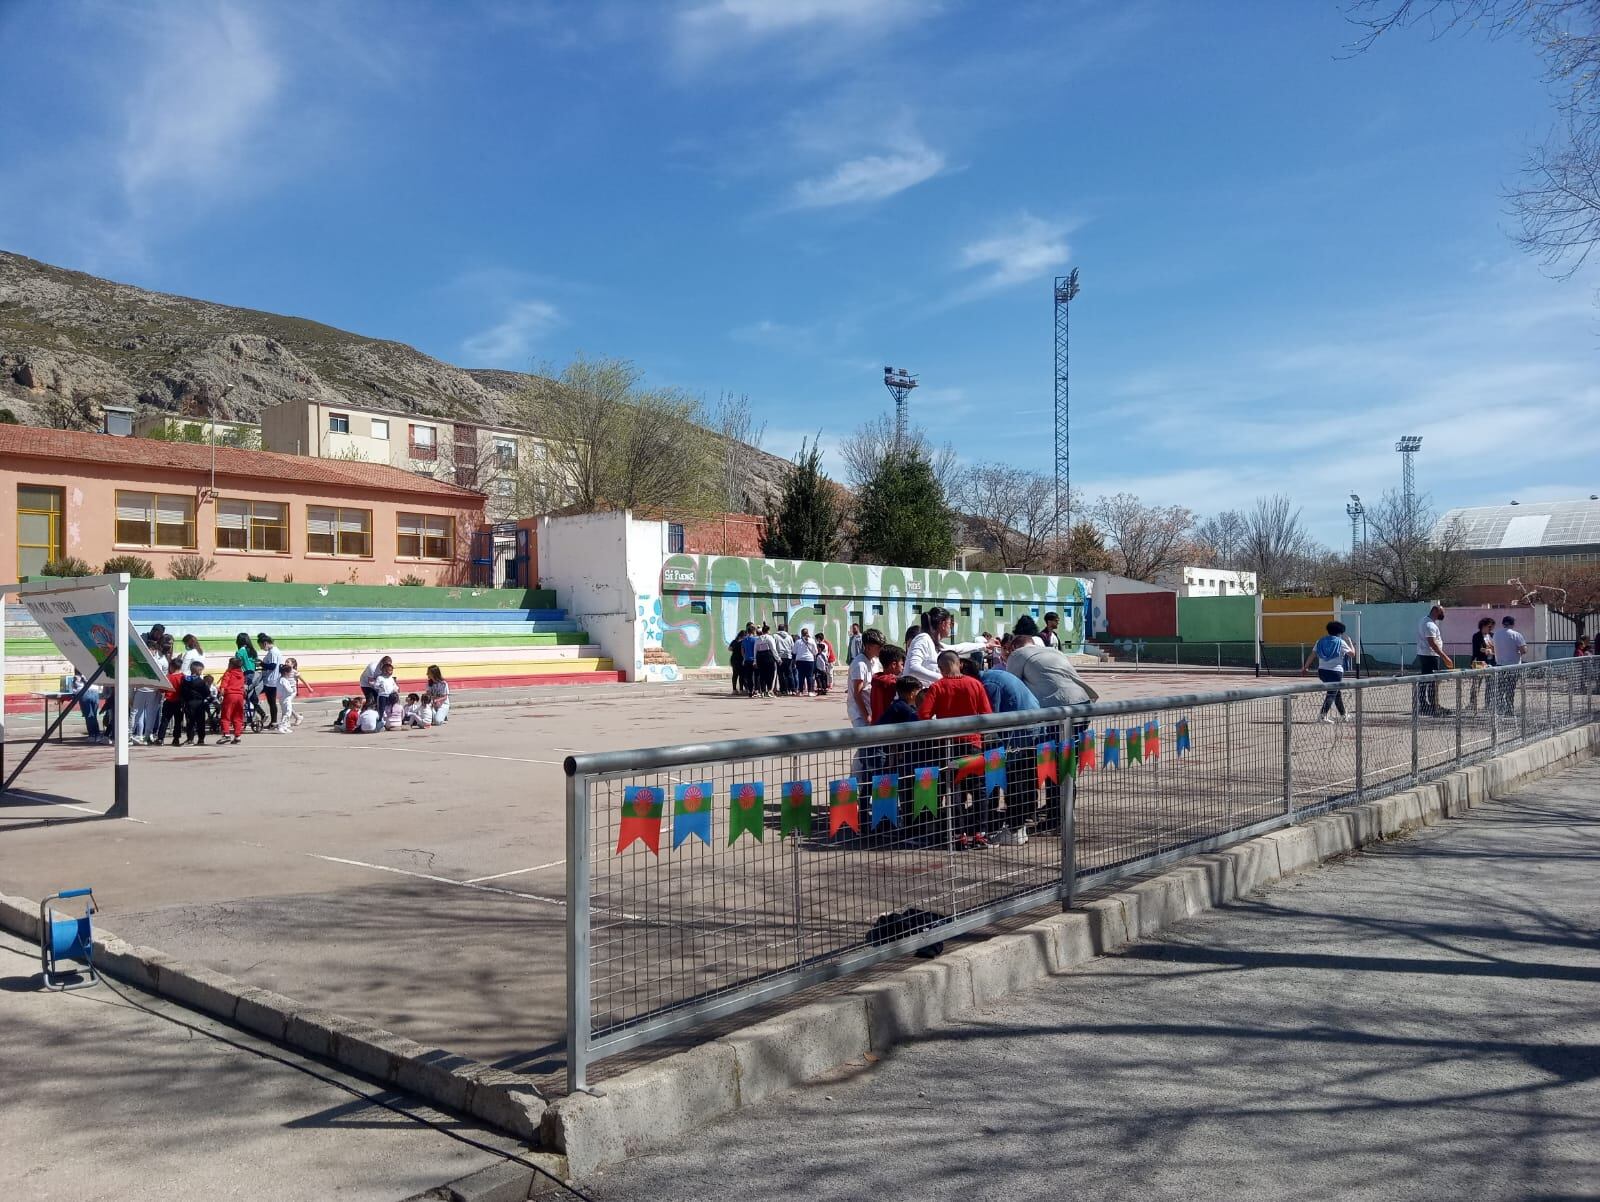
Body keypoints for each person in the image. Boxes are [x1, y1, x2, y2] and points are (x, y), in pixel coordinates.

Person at [919, 650, 995, 847]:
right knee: (979, 790)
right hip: (973, 745)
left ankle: (959, 834)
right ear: (959, 663)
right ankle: (980, 833)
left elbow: (924, 715)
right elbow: (987, 713)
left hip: (950, 747)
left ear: (941, 668)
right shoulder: (975, 684)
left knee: (954, 791)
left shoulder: (937, 687)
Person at [1004, 616, 1099, 708]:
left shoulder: (1017, 654)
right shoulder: (1052, 650)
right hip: (1083, 699)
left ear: (1013, 647)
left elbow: (1011, 683)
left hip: (1056, 705)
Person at [905, 607, 987, 687]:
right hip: (914, 696)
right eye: (950, 623)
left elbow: (959, 648)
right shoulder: (923, 639)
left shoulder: (934, 643)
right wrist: (944, 679)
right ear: (943, 624)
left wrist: (985, 645)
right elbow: (913, 667)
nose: (951, 627)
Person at [1301, 620, 1355, 723]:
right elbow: (1352, 654)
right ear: (1340, 632)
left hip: (1322, 671)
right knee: (1331, 693)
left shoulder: (1320, 641)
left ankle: (1343, 715)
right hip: (1335, 672)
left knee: (1336, 692)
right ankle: (1322, 716)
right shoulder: (1340, 642)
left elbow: (1312, 655)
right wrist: (1351, 643)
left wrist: (1305, 667)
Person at [1414, 605, 1453, 717]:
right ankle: (1431, 706)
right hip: (1430, 655)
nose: (1443, 615)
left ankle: (1428, 704)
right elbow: (1432, 643)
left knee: (1426, 680)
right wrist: (1445, 657)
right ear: (1435, 611)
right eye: (1442, 612)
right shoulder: (1429, 624)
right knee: (1432, 681)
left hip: (1427, 654)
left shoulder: (1425, 621)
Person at [846, 628, 884, 728]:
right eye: (878, 647)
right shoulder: (860, 664)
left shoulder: (874, 661)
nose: (881, 649)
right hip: (859, 714)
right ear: (868, 647)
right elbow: (857, 694)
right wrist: (866, 716)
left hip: (871, 710)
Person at [1493, 614, 1527, 715]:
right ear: (1513, 624)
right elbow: (1524, 650)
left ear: (1503, 623)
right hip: (1513, 666)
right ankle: (1509, 709)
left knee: (1500, 688)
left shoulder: (1496, 634)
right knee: (1510, 689)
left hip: (1499, 665)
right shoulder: (1516, 635)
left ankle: (1499, 708)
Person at [870, 645, 905, 723]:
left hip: (877, 724)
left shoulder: (877, 679)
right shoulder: (892, 683)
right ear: (894, 665)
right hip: (889, 726)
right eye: (902, 664)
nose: (903, 668)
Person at [1468, 616, 1497, 712]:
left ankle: (1488, 704)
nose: (1491, 629)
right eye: (1489, 626)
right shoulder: (1476, 636)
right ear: (1483, 626)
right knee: (1476, 684)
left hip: (1491, 662)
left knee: (1490, 684)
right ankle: (1473, 703)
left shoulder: (1492, 635)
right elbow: (1477, 649)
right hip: (1479, 662)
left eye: (1492, 627)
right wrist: (1485, 650)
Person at [217, 656, 247, 745]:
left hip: (230, 695)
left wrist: (221, 695)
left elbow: (223, 686)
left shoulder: (228, 673)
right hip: (240, 696)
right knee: (238, 716)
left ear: (231, 665)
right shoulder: (241, 674)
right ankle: (237, 736)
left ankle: (226, 734)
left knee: (226, 716)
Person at [178, 660, 210, 746]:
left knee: (190, 722)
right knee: (200, 722)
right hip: (199, 703)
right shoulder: (201, 682)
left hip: (189, 702)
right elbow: (207, 692)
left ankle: (190, 739)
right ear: (198, 671)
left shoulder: (185, 680)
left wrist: (183, 701)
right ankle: (201, 739)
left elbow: (182, 692)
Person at [68, 671, 103, 742]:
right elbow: (100, 685)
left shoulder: (76, 676)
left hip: (84, 693)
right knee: (94, 715)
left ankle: (92, 735)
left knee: (89, 716)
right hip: (95, 692)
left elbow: (74, 689)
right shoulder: (94, 671)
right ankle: (97, 734)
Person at [276, 657, 308, 732]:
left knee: (287, 709)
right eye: (286, 662)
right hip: (286, 694)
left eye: (288, 662)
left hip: (289, 694)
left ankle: (286, 724)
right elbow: (288, 689)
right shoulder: (284, 678)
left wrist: (309, 688)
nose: (286, 663)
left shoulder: (293, 672)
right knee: (287, 710)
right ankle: (285, 724)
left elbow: (302, 680)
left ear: (293, 664)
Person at [754, 624, 778, 698]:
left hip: (760, 657)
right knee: (770, 675)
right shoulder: (769, 638)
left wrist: (755, 660)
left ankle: (763, 691)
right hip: (768, 657)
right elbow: (773, 649)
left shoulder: (758, 639)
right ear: (768, 631)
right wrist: (778, 659)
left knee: (762, 675)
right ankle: (769, 690)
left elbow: (755, 650)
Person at [793, 627, 817, 696]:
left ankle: (800, 691)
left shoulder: (798, 642)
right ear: (808, 633)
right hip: (809, 660)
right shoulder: (812, 641)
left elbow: (794, 651)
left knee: (801, 676)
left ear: (801, 634)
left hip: (800, 660)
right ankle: (810, 691)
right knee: (809, 676)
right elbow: (815, 651)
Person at [774, 622, 795, 695]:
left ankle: (783, 690)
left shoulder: (775, 636)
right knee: (789, 673)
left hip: (779, 657)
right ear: (784, 629)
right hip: (788, 657)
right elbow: (793, 647)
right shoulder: (789, 637)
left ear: (778, 629)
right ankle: (792, 689)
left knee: (780, 674)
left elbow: (773, 647)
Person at [738, 623, 758, 697]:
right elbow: (757, 649)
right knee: (756, 676)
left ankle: (750, 690)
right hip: (754, 660)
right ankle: (756, 690)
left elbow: (742, 650)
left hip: (747, 660)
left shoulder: (744, 640)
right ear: (753, 631)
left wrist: (744, 658)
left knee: (749, 677)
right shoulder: (755, 639)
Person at [727, 631, 745, 695]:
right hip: (740, 659)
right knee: (741, 675)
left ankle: (734, 689)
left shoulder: (734, 641)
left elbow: (729, 649)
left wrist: (735, 649)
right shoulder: (743, 642)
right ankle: (741, 689)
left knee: (735, 674)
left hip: (734, 659)